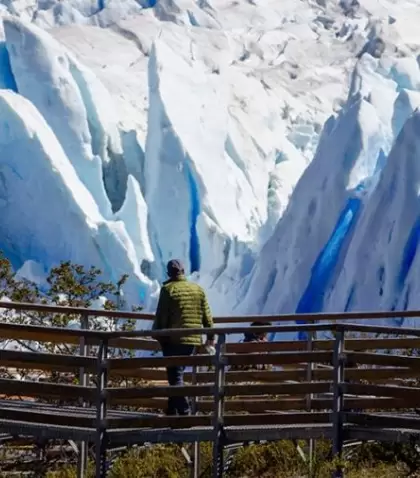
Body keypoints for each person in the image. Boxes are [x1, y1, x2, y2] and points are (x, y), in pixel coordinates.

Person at [153, 259, 214, 416]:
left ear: (168, 273)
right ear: (184, 271)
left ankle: (185, 411)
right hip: (192, 341)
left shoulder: (168, 290)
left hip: (173, 340)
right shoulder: (198, 289)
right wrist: (210, 337)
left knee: (175, 377)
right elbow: (207, 317)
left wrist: (157, 335)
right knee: (175, 375)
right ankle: (171, 412)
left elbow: (162, 316)